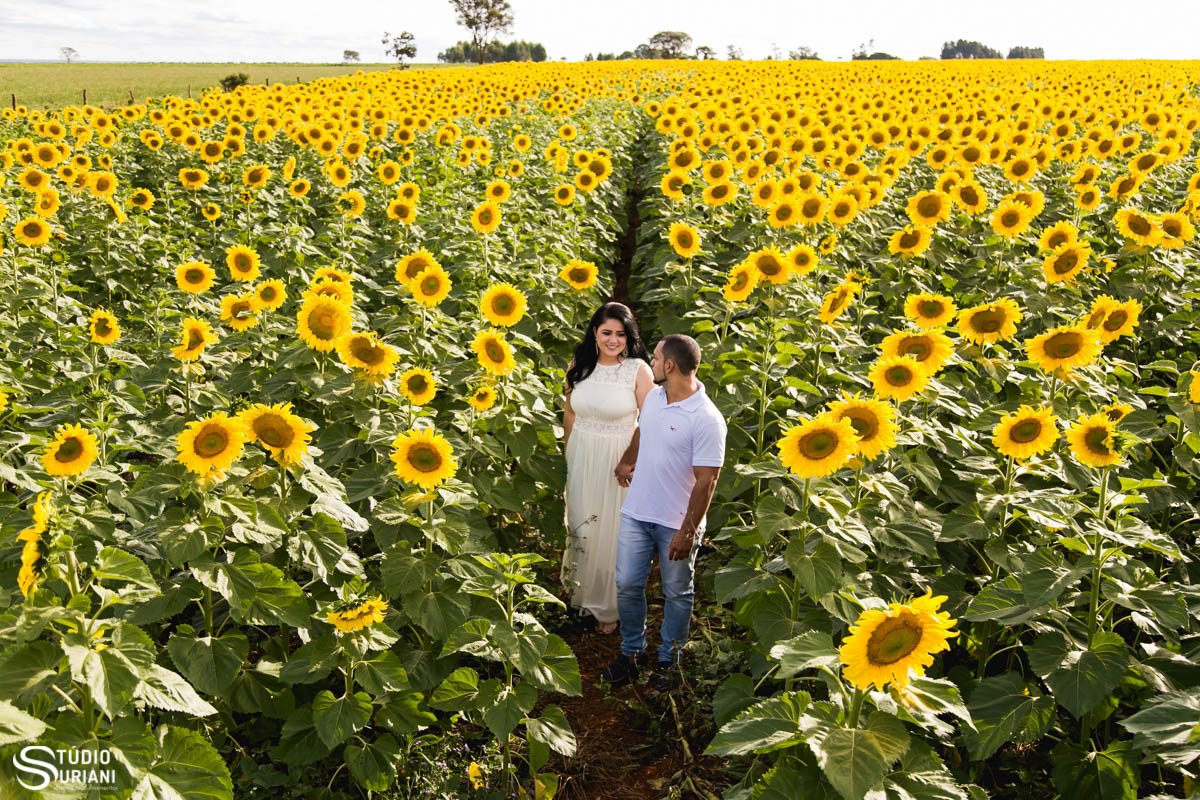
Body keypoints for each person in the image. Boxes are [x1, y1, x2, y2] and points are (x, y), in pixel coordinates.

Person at [601, 333, 726, 689]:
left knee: (677, 592)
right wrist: (628, 459)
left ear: (669, 365)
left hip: (675, 522)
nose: (651, 363)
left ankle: (670, 660)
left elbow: (707, 482)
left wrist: (688, 531)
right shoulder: (655, 398)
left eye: (655, 358)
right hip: (637, 513)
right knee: (626, 584)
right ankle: (632, 653)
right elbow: (643, 429)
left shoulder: (706, 419)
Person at [561, 303, 654, 634]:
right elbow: (570, 413)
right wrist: (568, 453)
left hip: (619, 458)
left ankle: (610, 607)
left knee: (613, 531)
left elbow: (652, 419)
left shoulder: (638, 370)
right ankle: (583, 593)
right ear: (595, 334)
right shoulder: (580, 366)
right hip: (582, 453)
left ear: (629, 336)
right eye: (606, 333)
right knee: (582, 522)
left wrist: (632, 459)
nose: (613, 340)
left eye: (620, 334)